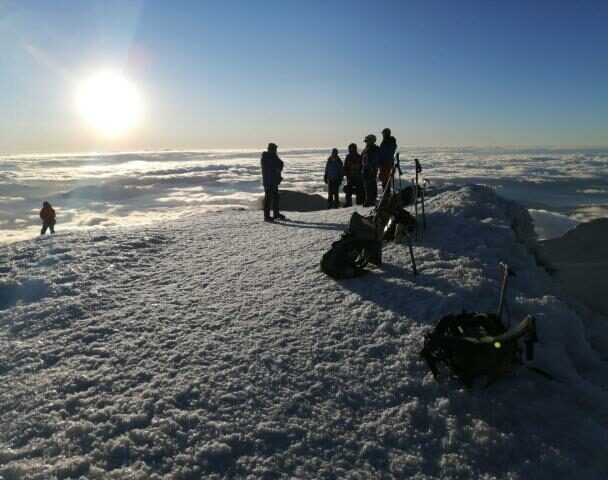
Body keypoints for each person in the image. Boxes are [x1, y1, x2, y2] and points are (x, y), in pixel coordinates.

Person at [260, 142, 285, 222]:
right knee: (268, 199)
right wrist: (277, 168)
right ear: (272, 149)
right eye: (275, 148)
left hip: (273, 181)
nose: (276, 150)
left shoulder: (272, 157)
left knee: (276, 197)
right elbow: (277, 165)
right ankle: (267, 216)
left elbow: (280, 164)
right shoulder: (267, 157)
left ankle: (276, 213)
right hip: (269, 181)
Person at [361, 134, 380, 207]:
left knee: (370, 185)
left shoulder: (374, 149)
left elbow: (373, 160)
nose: (366, 142)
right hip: (366, 169)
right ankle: (370, 200)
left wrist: (371, 168)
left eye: (368, 141)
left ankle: (370, 200)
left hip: (370, 170)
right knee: (368, 185)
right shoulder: (367, 148)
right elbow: (363, 158)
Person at [379, 127, 397, 192]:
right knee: (384, 179)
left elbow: (387, 152)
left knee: (386, 179)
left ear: (387, 133)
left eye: (383, 133)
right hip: (384, 162)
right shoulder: (386, 141)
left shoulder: (389, 141)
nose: (382, 134)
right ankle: (386, 193)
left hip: (386, 162)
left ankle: (386, 194)